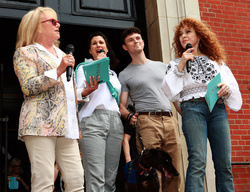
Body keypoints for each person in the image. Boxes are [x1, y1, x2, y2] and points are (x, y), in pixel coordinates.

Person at [161, 17, 242, 192]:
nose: (184, 36)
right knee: (198, 161)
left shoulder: (215, 60)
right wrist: (182, 64)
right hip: (192, 108)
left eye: (188, 32)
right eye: (180, 34)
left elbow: (232, 87)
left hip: (217, 108)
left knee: (224, 164)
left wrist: (226, 89)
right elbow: (169, 91)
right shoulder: (175, 64)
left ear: (199, 35)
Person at [13, 6, 84, 192]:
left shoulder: (63, 55)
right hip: (39, 125)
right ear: (36, 27)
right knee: (44, 182)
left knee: (77, 180)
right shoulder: (25, 52)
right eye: (52, 21)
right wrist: (59, 70)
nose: (58, 24)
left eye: (57, 20)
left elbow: (66, 93)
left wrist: (84, 93)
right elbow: (28, 87)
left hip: (66, 127)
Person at [119, 27, 182, 192]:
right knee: (152, 173)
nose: (136, 41)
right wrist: (129, 115)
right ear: (125, 47)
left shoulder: (163, 66)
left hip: (169, 119)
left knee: (173, 168)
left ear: (143, 41)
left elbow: (174, 95)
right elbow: (121, 106)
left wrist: (185, 115)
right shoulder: (125, 74)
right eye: (131, 40)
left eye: (138, 38)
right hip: (147, 122)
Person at [76, 31, 124, 192]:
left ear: (107, 48)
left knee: (110, 178)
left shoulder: (113, 74)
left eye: (101, 43)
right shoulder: (83, 68)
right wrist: (96, 71)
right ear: (90, 51)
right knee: (96, 178)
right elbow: (76, 95)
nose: (98, 45)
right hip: (92, 120)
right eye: (94, 43)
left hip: (115, 123)